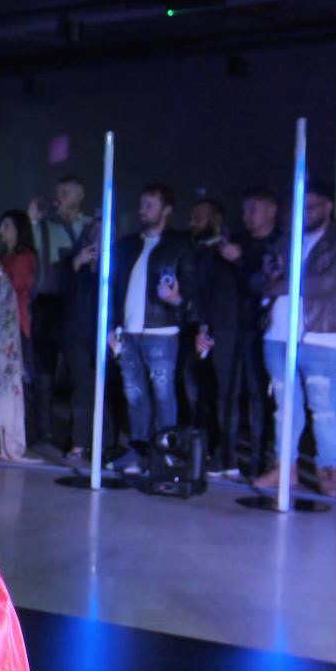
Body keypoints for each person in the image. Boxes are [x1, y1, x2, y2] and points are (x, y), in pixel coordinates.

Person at [253, 183, 336, 497]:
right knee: (284, 407)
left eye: (312, 206)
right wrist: (269, 280)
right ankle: (284, 467)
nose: (305, 213)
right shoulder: (286, 240)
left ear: (328, 206)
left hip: (323, 334)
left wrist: (278, 285)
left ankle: (328, 470)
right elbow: (259, 280)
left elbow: (331, 282)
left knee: (324, 407)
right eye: (300, 207)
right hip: (278, 333)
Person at [108, 184, 202, 471]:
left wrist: (176, 299)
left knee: (163, 394)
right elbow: (113, 288)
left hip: (162, 332)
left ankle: (164, 452)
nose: (143, 210)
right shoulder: (127, 245)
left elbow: (191, 286)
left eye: (150, 204)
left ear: (166, 210)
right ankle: (138, 451)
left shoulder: (179, 245)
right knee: (134, 394)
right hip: (129, 332)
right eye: (141, 204)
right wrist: (112, 327)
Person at [28, 176, 94, 448]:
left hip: (80, 305)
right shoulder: (44, 225)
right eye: (59, 192)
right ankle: (44, 433)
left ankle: (78, 438)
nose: (62, 197)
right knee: (44, 372)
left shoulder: (91, 225)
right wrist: (32, 221)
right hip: (48, 302)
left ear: (81, 194)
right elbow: (30, 249)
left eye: (68, 192)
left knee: (80, 373)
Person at [184, 198, 245, 470]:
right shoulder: (195, 249)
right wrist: (201, 325)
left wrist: (208, 326)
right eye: (191, 218)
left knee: (224, 395)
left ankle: (227, 455)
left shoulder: (229, 250)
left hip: (227, 329)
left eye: (199, 218)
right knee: (197, 392)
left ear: (216, 220)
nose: (192, 223)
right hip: (199, 328)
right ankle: (201, 449)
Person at [0, 210, 38, 461]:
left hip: (16, 327)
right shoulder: (4, 257)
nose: (1, 231)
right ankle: (3, 438)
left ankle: (18, 437)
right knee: (0, 385)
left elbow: (14, 289)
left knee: (15, 383)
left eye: (6, 226)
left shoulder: (24, 258)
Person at [233, 189, 286, 475]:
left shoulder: (281, 244)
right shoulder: (237, 242)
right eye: (244, 210)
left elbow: (259, 285)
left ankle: (259, 459)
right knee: (231, 392)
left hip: (268, 329)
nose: (246, 216)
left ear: (271, 210)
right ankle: (226, 454)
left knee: (261, 396)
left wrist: (240, 261)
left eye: (252, 209)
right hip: (235, 326)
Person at [60, 218, 108, 459]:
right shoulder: (73, 262)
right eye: (93, 231)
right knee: (83, 386)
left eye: (103, 231)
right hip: (78, 334)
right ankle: (79, 442)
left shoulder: (117, 262)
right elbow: (61, 292)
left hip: (106, 334)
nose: (97, 237)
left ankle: (104, 443)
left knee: (106, 389)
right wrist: (76, 265)